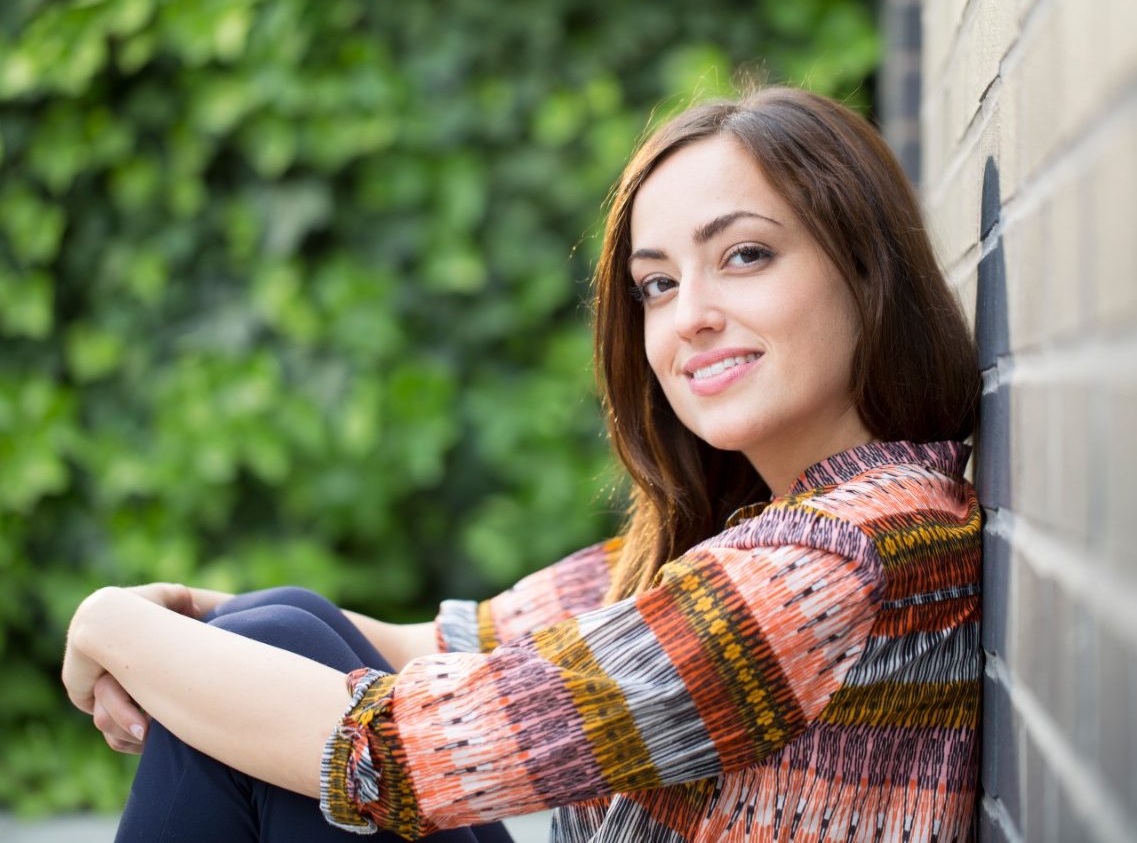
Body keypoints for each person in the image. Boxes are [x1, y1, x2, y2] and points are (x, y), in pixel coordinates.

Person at [63, 86, 983, 842]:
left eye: (743, 255)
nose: (687, 315)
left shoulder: (823, 564)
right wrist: (192, 617)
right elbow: (449, 650)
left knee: (274, 667)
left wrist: (110, 623)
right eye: (656, 284)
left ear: (865, 272)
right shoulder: (771, 522)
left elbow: (391, 753)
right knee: (285, 626)